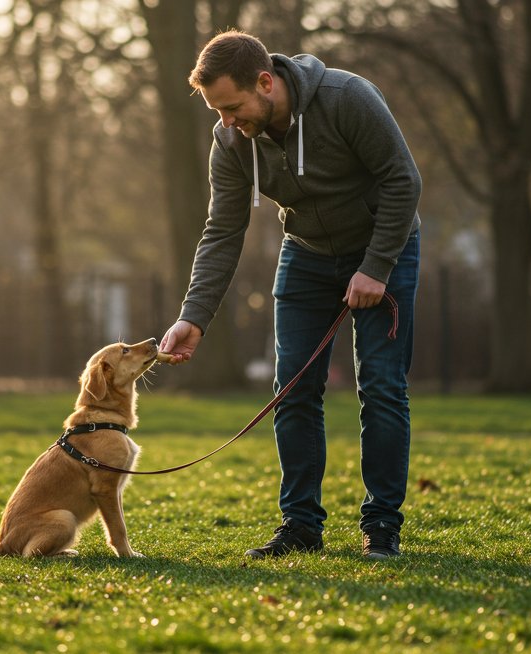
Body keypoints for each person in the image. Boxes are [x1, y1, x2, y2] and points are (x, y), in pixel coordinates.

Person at [159, 30, 421, 560]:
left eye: (232, 107)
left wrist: (375, 268)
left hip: (383, 245)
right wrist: (195, 316)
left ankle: (382, 528)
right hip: (306, 252)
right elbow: (222, 230)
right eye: (216, 111)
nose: (226, 122)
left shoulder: (348, 99)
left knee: (381, 386)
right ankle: (301, 525)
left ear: (265, 82)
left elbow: (403, 181)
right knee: (292, 389)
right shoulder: (229, 139)